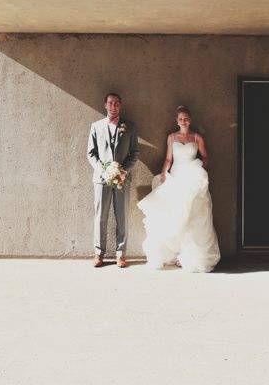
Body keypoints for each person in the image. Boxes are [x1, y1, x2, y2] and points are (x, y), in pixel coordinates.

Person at [137, 106, 220, 272]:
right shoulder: (171, 137)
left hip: (192, 178)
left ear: (190, 120)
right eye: (181, 118)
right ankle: (175, 252)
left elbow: (205, 156)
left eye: (186, 118)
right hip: (176, 176)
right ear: (177, 121)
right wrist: (163, 173)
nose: (184, 121)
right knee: (175, 214)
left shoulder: (197, 137)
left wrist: (199, 169)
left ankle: (190, 254)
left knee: (192, 215)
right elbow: (169, 158)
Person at [87, 93, 139, 268]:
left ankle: (120, 254)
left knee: (122, 217)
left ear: (121, 105)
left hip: (122, 178)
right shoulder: (95, 126)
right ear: (105, 105)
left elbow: (135, 153)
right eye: (110, 103)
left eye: (116, 103)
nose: (113, 106)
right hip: (101, 179)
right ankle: (98, 253)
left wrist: (122, 171)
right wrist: (104, 171)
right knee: (100, 216)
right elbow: (91, 153)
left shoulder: (130, 126)